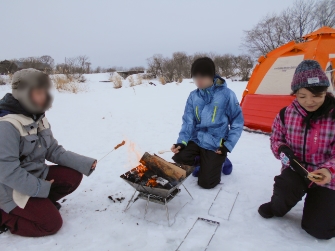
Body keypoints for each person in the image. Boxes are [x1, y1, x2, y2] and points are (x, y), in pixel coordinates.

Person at [0, 69, 97, 237]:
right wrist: (41, 188)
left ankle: (40, 205)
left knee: (73, 176)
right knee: (51, 225)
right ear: (23, 93)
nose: (44, 96)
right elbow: (8, 172)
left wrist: (85, 163)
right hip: (10, 188)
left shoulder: (37, 116)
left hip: (34, 175)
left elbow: (53, 150)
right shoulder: (6, 126)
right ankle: (5, 216)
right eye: (39, 92)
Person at [258, 60, 335, 240]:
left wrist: (328, 170)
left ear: (325, 91)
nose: (309, 101)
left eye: (316, 95)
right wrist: (283, 150)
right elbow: (276, 139)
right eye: (302, 96)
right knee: (284, 188)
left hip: (326, 176)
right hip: (295, 168)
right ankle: (277, 206)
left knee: (319, 230)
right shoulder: (286, 114)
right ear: (295, 94)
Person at [171, 57, 244, 189]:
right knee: (179, 157)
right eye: (195, 77)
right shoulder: (193, 96)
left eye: (202, 77)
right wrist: (181, 142)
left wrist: (227, 146)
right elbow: (188, 121)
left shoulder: (227, 95)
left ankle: (222, 161)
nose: (198, 81)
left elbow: (237, 122)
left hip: (216, 143)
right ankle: (203, 162)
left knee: (206, 184)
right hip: (197, 139)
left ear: (211, 76)